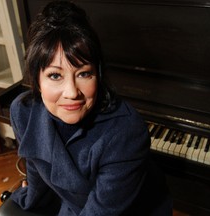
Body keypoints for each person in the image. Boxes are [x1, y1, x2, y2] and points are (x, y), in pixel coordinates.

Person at [9, 1, 172, 215]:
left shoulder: (126, 131)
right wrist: (32, 200)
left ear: (98, 74)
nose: (71, 92)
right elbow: (35, 165)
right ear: (37, 81)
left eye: (84, 73)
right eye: (55, 75)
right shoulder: (23, 111)